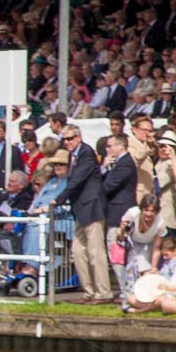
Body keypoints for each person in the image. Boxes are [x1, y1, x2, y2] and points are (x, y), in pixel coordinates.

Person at [59, 124, 115, 302]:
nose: (67, 142)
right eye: (64, 139)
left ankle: (104, 291)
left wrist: (59, 199)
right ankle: (89, 290)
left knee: (95, 251)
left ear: (78, 137)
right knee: (78, 250)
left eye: (70, 138)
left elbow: (78, 179)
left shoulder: (87, 153)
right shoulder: (73, 155)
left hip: (92, 207)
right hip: (80, 209)